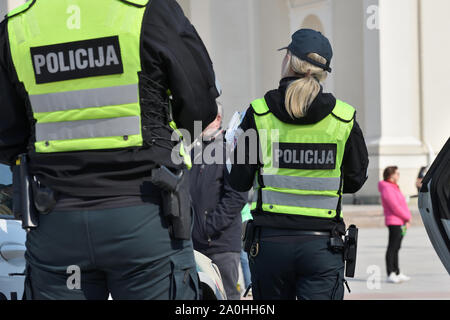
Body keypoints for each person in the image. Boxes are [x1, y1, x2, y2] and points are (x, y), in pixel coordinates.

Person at [0, 0, 220, 300]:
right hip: (143, 213)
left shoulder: (18, 25)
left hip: (57, 221)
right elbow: (199, 106)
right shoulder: (148, 10)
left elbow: (6, 136)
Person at [229, 29, 369, 300]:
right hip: (322, 246)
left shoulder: (258, 113)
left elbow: (238, 181)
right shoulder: (344, 118)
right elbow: (354, 180)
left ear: (289, 60)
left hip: (269, 246)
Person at [189, 104, 248, 300]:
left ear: (218, 119)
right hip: (194, 244)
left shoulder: (229, 149)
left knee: (227, 297)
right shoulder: (193, 151)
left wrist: (207, 227)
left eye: (207, 116)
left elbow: (237, 196)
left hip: (221, 245)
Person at [378, 166, 412, 284]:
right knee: (392, 247)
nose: (398, 175)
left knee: (397, 247)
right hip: (394, 221)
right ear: (390, 175)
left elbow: (401, 204)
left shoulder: (394, 187)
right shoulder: (387, 188)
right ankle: (390, 273)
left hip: (400, 221)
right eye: (397, 173)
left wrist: (406, 220)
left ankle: (397, 272)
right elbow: (395, 207)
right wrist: (407, 217)